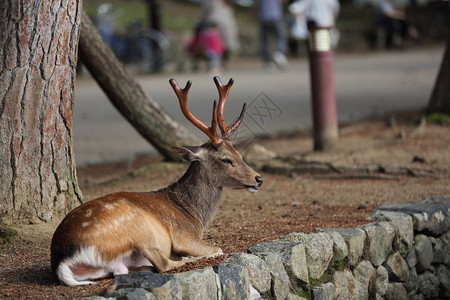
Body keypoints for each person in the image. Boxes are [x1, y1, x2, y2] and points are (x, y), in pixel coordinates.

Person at [201, 0, 240, 69]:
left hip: (214, 23)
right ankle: (223, 62)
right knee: (223, 45)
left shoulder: (212, 2)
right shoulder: (227, 3)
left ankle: (214, 63)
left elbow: (205, 13)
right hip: (226, 26)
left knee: (212, 46)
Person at [254, 0, 288, 71]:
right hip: (276, 16)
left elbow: (255, 4)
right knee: (280, 37)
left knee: (265, 40)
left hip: (263, 17)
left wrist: (253, 15)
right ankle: (279, 53)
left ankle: (267, 62)